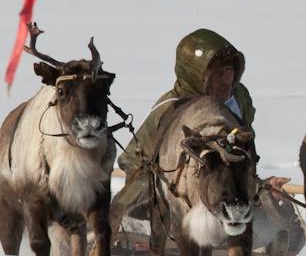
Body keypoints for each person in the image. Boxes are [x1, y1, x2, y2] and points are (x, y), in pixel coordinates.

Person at [111, 28, 262, 223]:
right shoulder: (171, 108)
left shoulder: (238, 98)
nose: (227, 80)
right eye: (218, 73)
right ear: (197, 75)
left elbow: (246, 150)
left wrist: (258, 183)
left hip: (230, 188)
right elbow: (134, 159)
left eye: (229, 70)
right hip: (178, 192)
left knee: (284, 219)